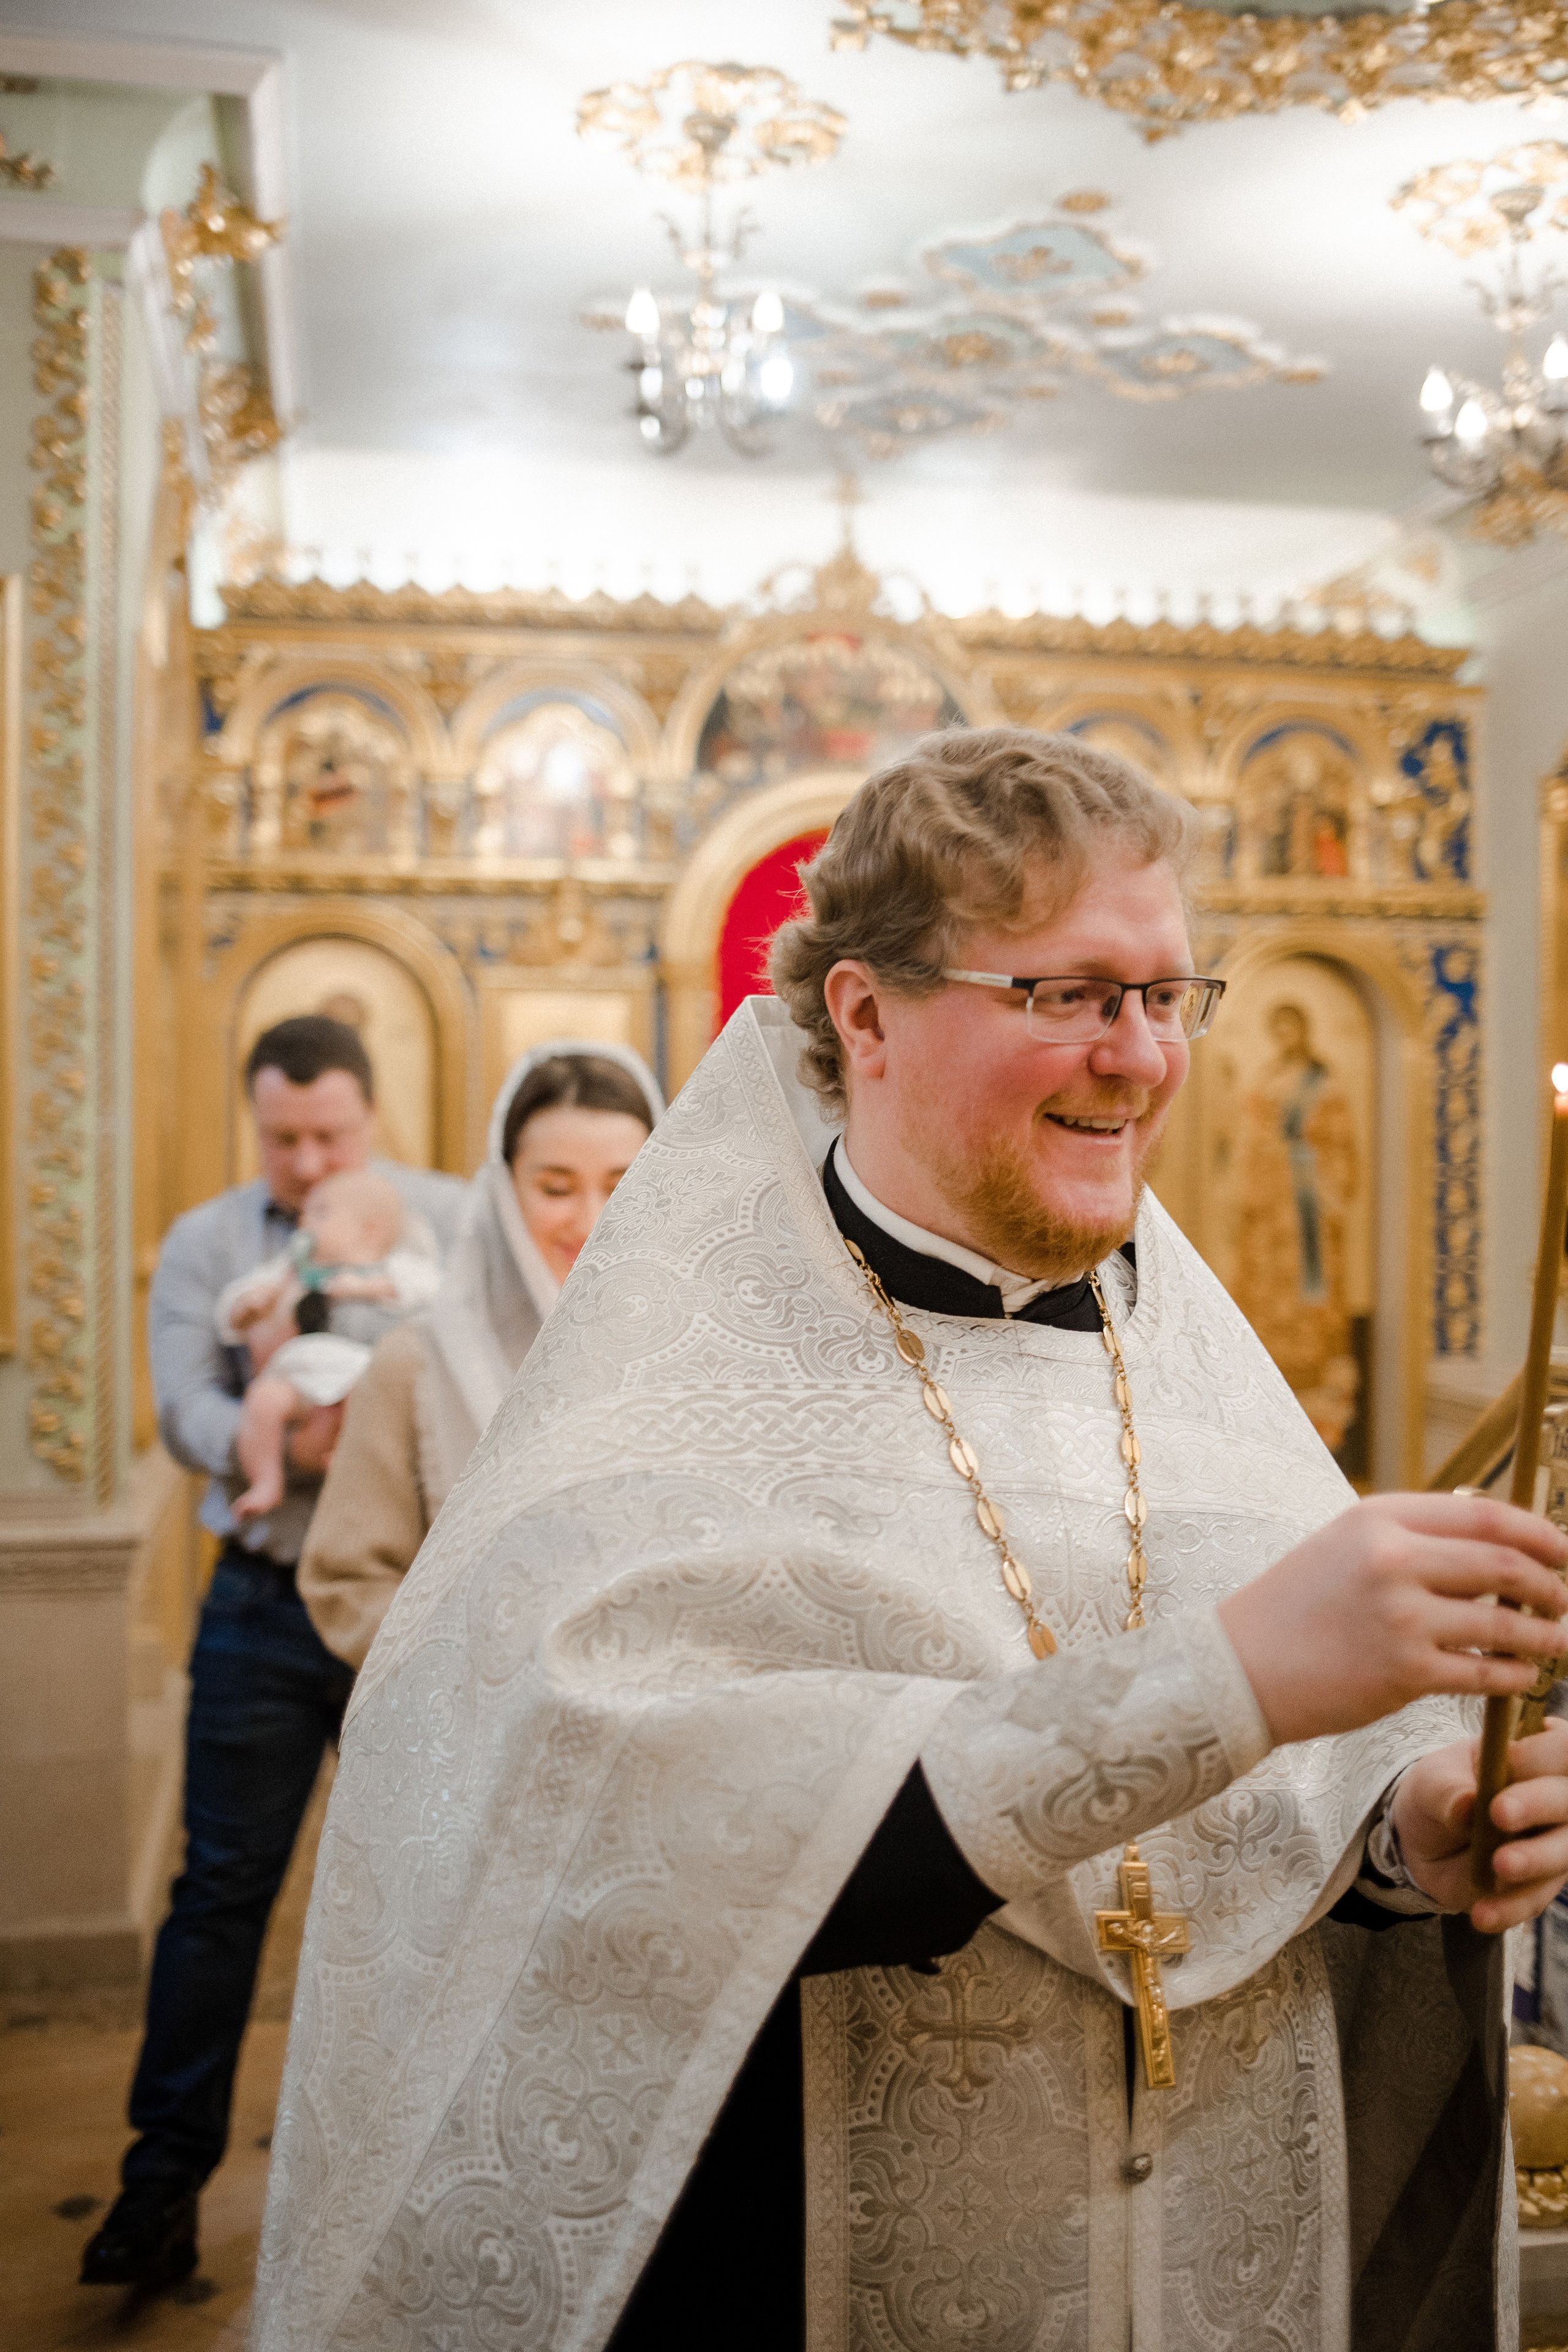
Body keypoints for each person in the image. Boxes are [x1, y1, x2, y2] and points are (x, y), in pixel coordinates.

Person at [252, 733, 1568, 2352]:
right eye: (1069, 994)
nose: (1141, 1057)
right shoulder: (664, 1402)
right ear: (864, 1014)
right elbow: (654, 1864)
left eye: (1167, 995)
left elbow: (1280, 1824)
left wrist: (1400, 1835)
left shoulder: (1201, 1381)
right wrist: (1231, 1680)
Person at [80, 1016, 466, 2294]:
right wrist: (287, 1447)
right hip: (258, 1601)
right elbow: (184, 1406)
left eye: (329, 1137)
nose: (305, 1163)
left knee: (426, 1893)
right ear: (257, 1123)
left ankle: (425, 2186)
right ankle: (159, 2187)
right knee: (220, 1893)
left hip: (410, 1601)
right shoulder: (208, 1242)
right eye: (282, 1138)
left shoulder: (445, 1222)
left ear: (372, 1118)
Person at [298, 1042, 662, 1669]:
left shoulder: (696, 1351)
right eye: (556, 1188)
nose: (591, 1220)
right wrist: (487, 1669)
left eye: (621, 1185)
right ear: (504, 1191)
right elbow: (349, 1582)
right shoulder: (416, 1362)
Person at [219, 1167, 442, 1519]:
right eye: (306, 1213)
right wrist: (248, 1306)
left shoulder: (392, 1266)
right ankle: (265, 1480)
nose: (305, 1223)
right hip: (304, 1373)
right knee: (262, 1400)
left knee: (370, 1404)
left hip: (358, 1372)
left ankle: (351, 1460)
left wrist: (368, 1287)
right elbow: (233, 1310)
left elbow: (432, 1287)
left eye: (321, 1213)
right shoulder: (293, 1268)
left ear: (369, 1230)